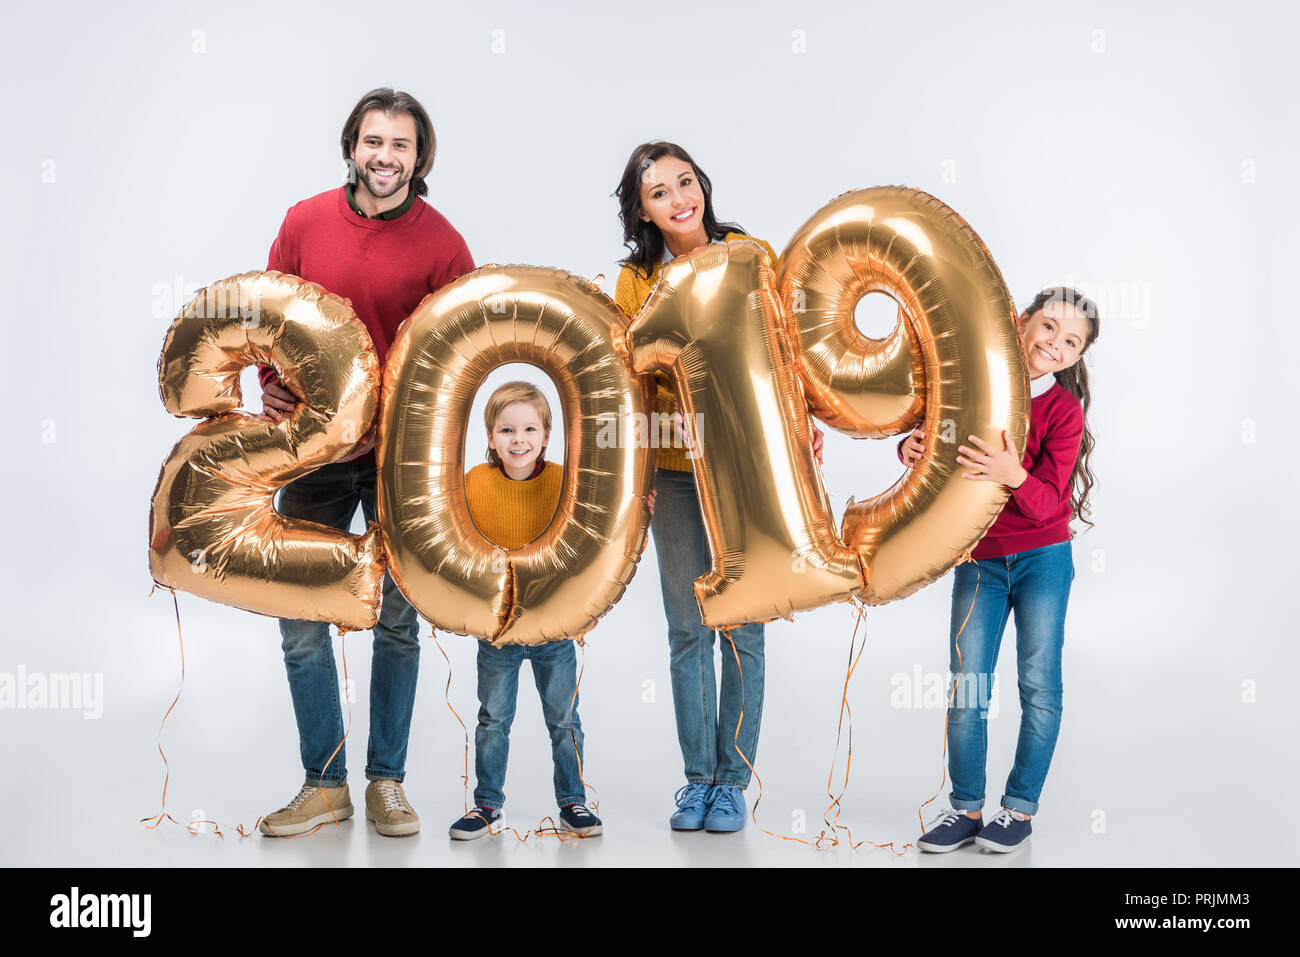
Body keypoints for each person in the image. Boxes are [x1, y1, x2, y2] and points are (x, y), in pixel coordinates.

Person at [256, 87, 475, 837]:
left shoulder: (444, 245)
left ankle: (386, 781)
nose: (386, 156)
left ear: (421, 157)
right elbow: (268, 316)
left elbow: (463, 357)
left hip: (397, 462)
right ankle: (324, 784)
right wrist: (272, 390)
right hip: (312, 455)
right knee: (299, 617)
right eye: (373, 141)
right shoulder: (303, 221)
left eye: (401, 145)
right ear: (353, 146)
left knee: (398, 624)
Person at [612, 141, 822, 833]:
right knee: (685, 627)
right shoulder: (636, 283)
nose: (680, 197)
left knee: (742, 622)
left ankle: (733, 780)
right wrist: (637, 472)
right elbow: (634, 385)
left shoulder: (750, 251)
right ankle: (696, 779)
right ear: (642, 211)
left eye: (685, 181)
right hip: (673, 471)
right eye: (660, 192)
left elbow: (784, 345)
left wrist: (804, 418)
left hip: (745, 466)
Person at [908, 287, 1099, 853]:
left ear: (1078, 356)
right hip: (979, 561)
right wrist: (913, 448)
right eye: (1048, 328)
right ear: (1021, 323)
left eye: (1071, 342)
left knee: (1039, 685)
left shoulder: (1063, 410)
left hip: (1043, 559)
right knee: (969, 686)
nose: (1054, 345)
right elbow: (938, 446)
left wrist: (1013, 472)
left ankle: (1018, 809)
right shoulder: (976, 384)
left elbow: (1048, 504)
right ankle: (966, 809)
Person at [447, 382, 607, 839]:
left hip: (552, 628)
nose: (519, 439)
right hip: (498, 630)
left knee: (564, 719)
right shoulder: (474, 483)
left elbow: (587, 543)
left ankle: (573, 801)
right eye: (507, 429)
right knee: (493, 718)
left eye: (529, 428)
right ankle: (486, 806)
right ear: (491, 437)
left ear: (546, 434)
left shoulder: (564, 480)